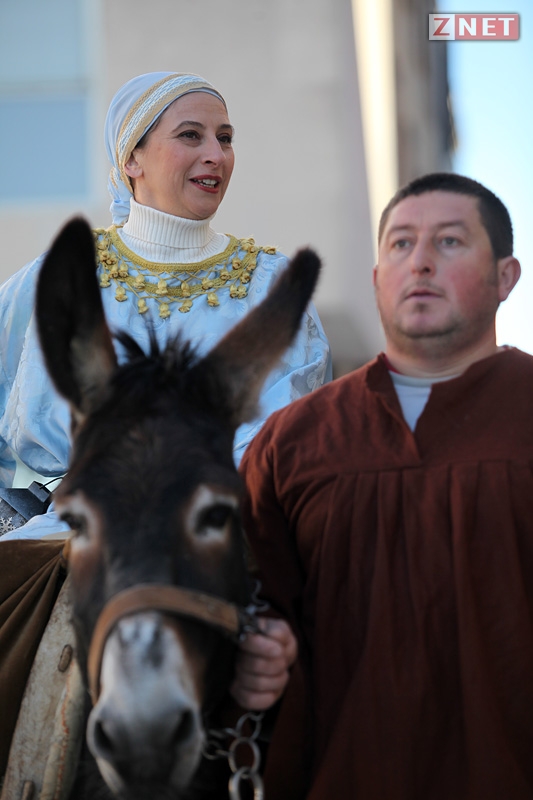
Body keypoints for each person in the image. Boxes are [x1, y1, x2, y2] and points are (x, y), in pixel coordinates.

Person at [237, 173, 533, 799]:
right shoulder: (293, 443)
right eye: (400, 244)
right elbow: (245, 608)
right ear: (377, 280)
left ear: (505, 277)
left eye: (449, 241)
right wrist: (245, 656)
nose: (420, 261)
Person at [0, 71, 330, 541]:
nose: (216, 154)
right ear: (132, 158)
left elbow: (296, 434)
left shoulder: (272, 286)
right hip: (73, 545)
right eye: (191, 135)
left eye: (225, 138)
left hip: (228, 542)